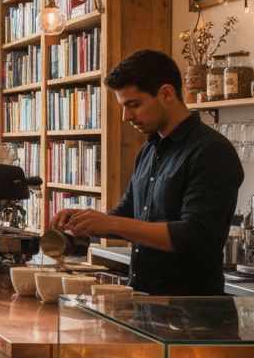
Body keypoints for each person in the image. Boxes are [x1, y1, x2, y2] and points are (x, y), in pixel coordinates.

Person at [51, 49, 244, 296]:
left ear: (166, 93)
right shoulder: (149, 148)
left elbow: (195, 236)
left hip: (192, 313)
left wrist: (112, 222)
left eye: (133, 105)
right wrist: (88, 221)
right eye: (124, 106)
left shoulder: (211, 151)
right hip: (143, 301)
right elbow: (130, 212)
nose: (126, 116)